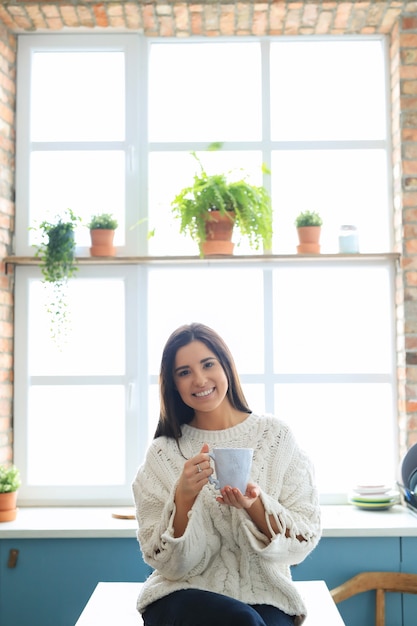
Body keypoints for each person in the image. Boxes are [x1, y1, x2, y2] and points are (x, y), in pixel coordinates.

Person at [132, 323, 321, 626]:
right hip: (181, 594)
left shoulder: (276, 437)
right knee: (242, 621)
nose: (200, 379)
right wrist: (183, 499)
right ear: (174, 384)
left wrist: (255, 506)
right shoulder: (163, 453)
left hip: (266, 596)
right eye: (184, 372)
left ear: (227, 367)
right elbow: (167, 563)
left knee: (249, 620)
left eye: (208, 364)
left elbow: (303, 539)